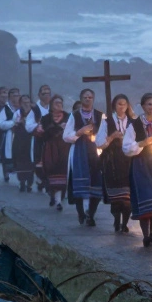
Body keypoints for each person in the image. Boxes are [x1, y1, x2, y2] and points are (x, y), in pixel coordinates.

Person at [124, 93, 152, 247]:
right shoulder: (134, 125)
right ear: (143, 106)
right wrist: (142, 143)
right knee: (146, 197)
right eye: (149, 104)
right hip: (141, 165)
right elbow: (126, 147)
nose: (151, 107)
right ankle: (145, 234)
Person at [95, 94, 136, 233]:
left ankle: (125, 222)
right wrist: (112, 136)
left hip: (128, 161)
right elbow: (99, 143)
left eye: (124, 104)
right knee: (116, 197)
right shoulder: (107, 122)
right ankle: (117, 220)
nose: (122, 107)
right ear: (114, 105)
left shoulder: (132, 122)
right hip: (112, 162)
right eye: (119, 104)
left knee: (127, 196)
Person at [63, 88, 103, 227]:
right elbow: (66, 136)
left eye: (90, 97)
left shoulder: (99, 115)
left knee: (96, 184)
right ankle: (81, 212)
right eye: (85, 97)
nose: (88, 99)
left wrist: (97, 138)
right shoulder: (74, 115)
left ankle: (91, 214)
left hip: (95, 152)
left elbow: (104, 134)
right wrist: (79, 132)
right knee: (80, 184)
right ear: (81, 99)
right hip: (79, 152)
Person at [37, 95, 71, 210]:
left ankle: (59, 201)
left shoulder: (68, 116)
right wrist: (56, 128)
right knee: (51, 172)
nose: (59, 105)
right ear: (51, 105)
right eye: (56, 103)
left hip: (64, 148)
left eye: (61, 103)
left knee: (62, 173)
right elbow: (43, 135)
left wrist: (65, 128)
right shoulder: (46, 118)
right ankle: (54, 196)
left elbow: (72, 131)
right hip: (50, 149)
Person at [11, 95, 37, 193]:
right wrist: (20, 122)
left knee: (30, 161)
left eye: (28, 102)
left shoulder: (34, 113)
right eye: (24, 102)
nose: (26, 104)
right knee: (21, 161)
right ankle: (22, 181)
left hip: (31, 139)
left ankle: (29, 183)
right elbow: (14, 123)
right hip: (20, 139)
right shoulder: (18, 113)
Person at [31, 85, 53, 193]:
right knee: (39, 160)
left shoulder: (53, 108)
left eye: (49, 93)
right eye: (44, 93)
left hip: (51, 139)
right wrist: (38, 127)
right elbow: (29, 124)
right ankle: (40, 179)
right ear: (39, 95)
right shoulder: (34, 109)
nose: (47, 96)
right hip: (38, 138)